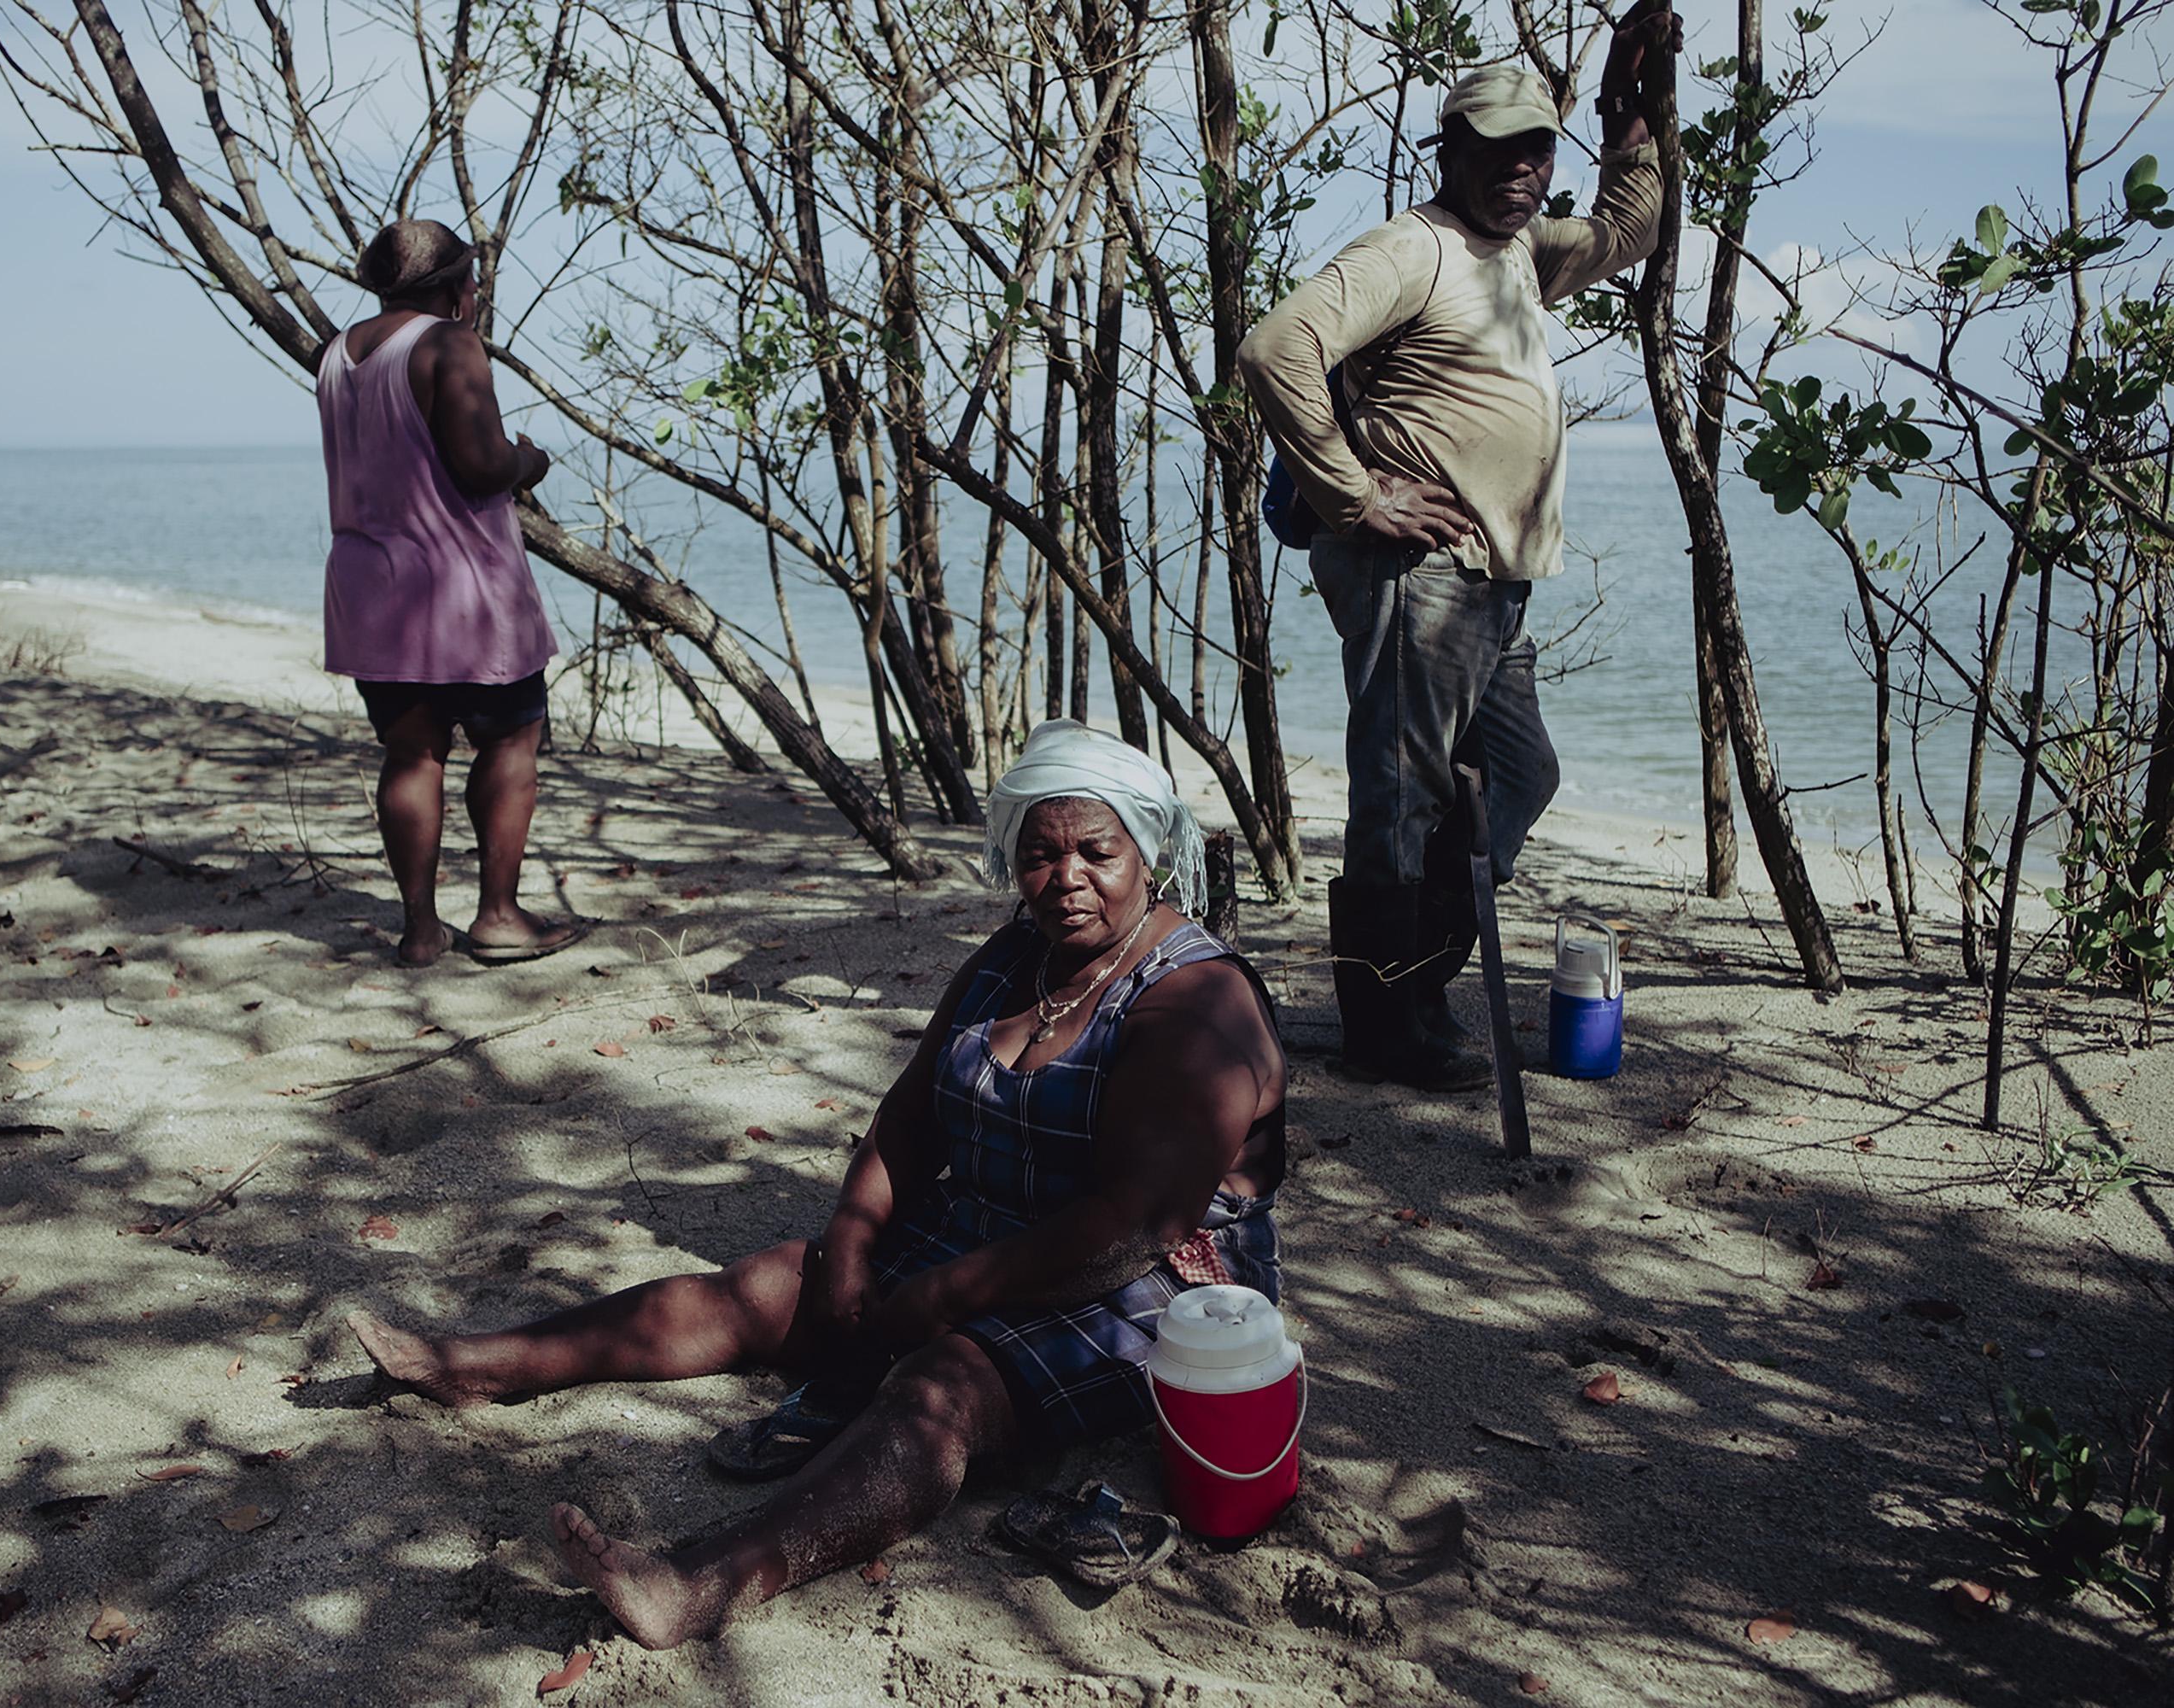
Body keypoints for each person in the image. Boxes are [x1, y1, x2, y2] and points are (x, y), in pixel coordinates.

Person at [347, 720, 1289, 1648]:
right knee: (770, 1283)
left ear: (1147, 853)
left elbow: (1133, 1223)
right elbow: (912, 1116)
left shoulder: (1195, 1000)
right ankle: (480, 1364)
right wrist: (852, 1233)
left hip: (1147, 1288)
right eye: (1041, 853)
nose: (1067, 876)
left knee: (943, 1387)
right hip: (996, 1227)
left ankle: (700, 1581)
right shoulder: (1016, 956)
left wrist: (946, 1293)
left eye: (1097, 851)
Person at [1237, 7, 1681, 1091]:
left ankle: (1411, 986)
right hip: (1417, 576)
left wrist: (1633, 122)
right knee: (1401, 795)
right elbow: (1275, 345)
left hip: (1497, 584)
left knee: (1519, 775)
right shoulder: (1414, 248)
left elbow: (1627, 232)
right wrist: (1356, 498)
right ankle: (1391, 1032)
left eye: (1539, 150)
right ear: (1455, 153)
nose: (1525, 170)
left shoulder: (1519, 251)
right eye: (1500, 151)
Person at [319, 218, 583, 968]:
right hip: (461, 587)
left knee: (411, 754)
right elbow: (479, 465)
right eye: (470, 277)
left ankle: (419, 929)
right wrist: (528, 459)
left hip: (371, 584)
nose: (474, 290)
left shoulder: (338, 354)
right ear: (450, 286)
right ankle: (498, 916)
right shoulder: (446, 344)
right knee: (509, 738)